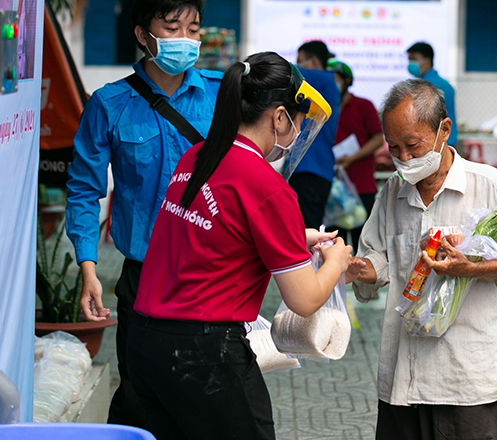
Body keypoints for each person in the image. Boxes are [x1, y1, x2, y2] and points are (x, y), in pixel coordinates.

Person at [127, 52, 359, 440]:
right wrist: (336, 259)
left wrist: (292, 238)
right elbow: (303, 300)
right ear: (280, 117)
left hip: (147, 345)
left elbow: (212, 233)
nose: (296, 135)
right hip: (204, 355)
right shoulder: (267, 185)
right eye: (299, 125)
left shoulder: (197, 156)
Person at [346, 79, 497, 440]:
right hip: (406, 372)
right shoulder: (393, 191)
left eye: (413, 145)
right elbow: (377, 257)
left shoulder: (488, 185)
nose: (404, 158)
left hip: (467, 375)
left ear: (444, 130)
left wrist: (471, 269)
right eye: (394, 148)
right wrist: (361, 268)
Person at [65, 0, 223, 428]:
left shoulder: (222, 94)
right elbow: (83, 191)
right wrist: (89, 269)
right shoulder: (109, 104)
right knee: (142, 395)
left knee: (209, 397)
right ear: (142, 34)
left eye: (193, 28)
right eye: (172, 26)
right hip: (144, 278)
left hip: (212, 275)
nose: (185, 39)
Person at [326, 59, 384, 252]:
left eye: (335, 79)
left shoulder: (364, 105)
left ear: (347, 81)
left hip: (361, 185)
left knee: (364, 242)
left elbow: (378, 138)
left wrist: (353, 158)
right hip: (334, 188)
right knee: (335, 244)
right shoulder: (325, 109)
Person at [289, 40, 341, 228]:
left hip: (310, 171)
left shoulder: (322, 79)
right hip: (314, 170)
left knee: (304, 231)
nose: (298, 65)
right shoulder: (325, 84)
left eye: (301, 61)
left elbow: (286, 70)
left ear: (315, 62)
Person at [407, 42, 458, 152]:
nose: (410, 63)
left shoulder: (425, 86)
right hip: (448, 140)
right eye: (410, 59)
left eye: (414, 59)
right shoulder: (445, 84)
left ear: (427, 60)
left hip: (435, 145)